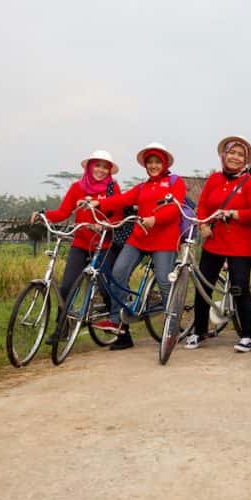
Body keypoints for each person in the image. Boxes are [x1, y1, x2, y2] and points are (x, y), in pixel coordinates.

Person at [89, 143, 186, 350]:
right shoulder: (142, 187)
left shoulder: (175, 182)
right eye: (150, 162)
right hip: (139, 238)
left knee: (164, 281)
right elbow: (123, 199)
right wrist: (100, 203)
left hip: (164, 240)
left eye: (157, 162)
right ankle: (116, 320)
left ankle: (172, 326)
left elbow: (174, 208)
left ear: (165, 164)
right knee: (118, 272)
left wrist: (155, 219)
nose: (153, 165)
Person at [32, 150, 122, 344]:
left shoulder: (112, 188)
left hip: (103, 244)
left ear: (109, 171)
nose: (101, 170)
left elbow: (117, 215)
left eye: (105, 167)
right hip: (81, 243)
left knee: (106, 288)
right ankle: (62, 328)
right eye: (97, 165)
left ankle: (120, 328)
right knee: (67, 286)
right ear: (89, 167)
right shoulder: (77, 188)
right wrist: (44, 215)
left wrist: (103, 225)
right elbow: (63, 212)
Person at [184, 136, 251, 352]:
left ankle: (247, 335)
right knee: (203, 286)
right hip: (214, 240)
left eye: (240, 155)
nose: (235, 157)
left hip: (241, 243)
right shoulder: (214, 179)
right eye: (232, 153)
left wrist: (234, 213)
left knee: (239, 287)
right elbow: (203, 206)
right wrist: (203, 225)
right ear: (223, 155)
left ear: (246, 160)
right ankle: (199, 331)